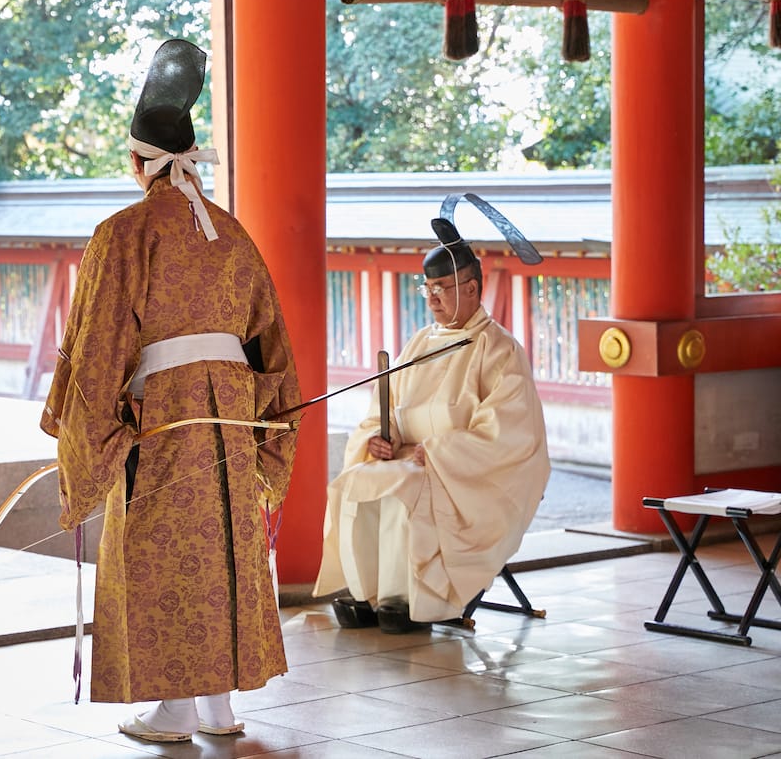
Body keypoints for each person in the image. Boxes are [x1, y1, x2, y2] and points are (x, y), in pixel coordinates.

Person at [40, 38, 300, 743]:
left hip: (160, 426)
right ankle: (218, 705)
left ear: (137, 162)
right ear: (189, 159)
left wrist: (87, 432)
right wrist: (269, 428)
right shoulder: (235, 235)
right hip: (233, 423)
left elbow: (97, 351)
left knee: (164, 557)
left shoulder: (122, 234)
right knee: (221, 552)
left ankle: (179, 709)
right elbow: (272, 347)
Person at [312, 216, 551, 633]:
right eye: (427, 288)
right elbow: (385, 408)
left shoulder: (499, 349)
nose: (432, 299)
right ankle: (367, 591)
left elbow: (509, 433)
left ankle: (406, 598)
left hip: (460, 472)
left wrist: (438, 452)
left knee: (402, 487)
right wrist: (379, 437)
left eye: (441, 288)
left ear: (471, 288)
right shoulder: (421, 342)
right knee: (354, 481)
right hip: (410, 459)